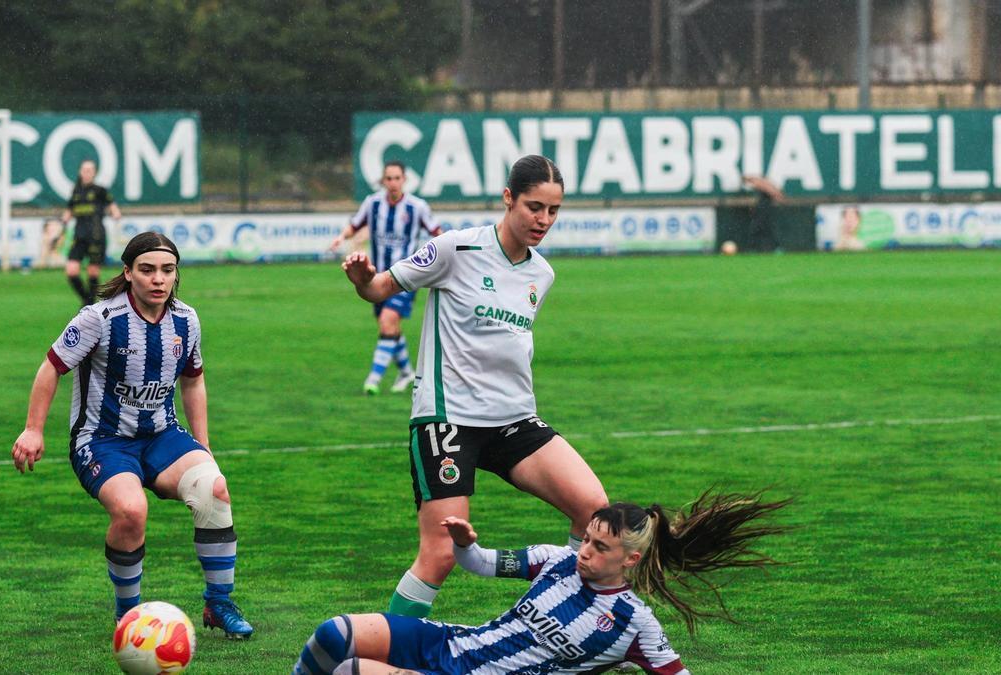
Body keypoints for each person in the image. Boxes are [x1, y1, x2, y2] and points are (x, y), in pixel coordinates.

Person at [341, 155, 609, 619]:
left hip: (513, 417)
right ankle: (383, 650)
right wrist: (364, 279)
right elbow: (379, 288)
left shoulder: (542, 273)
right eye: (534, 207)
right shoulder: (455, 249)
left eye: (553, 210)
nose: (544, 220)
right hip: (448, 418)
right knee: (440, 553)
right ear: (508, 199)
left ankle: (563, 616)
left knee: (593, 509)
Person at [11, 232, 253, 639]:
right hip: (102, 440)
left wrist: (204, 444)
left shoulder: (186, 320)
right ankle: (127, 615)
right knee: (131, 510)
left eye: (167, 270)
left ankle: (219, 603)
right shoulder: (99, 318)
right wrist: (33, 429)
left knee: (214, 488)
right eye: (147, 270)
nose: (158, 279)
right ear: (128, 273)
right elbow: (51, 366)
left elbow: (193, 380)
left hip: (161, 435)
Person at [293, 491, 791, 675]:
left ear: (630, 559)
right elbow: (480, 563)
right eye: (587, 538)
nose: (585, 551)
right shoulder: (556, 560)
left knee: (351, 671)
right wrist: (465, 543)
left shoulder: (635, 624)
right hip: (454, 643)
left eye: (600, 547)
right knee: (334, 634)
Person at [331, 160, 440, 395]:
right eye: (388, 178)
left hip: (406, 276)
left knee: (387, 321)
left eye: (396, 178)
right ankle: (406, 372)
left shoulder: (417, 207)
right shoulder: (372, 204)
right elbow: (355, 225)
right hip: (377, 278)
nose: (392, 183)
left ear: (404, 180)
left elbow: (437, 233)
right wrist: (341, 237)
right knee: (390, 327)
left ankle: (373, 379)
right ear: (383, 181)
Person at [62, 159, 122, 305]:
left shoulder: (100, 190)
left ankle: (88, 304)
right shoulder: (76, 192)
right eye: (84, 170)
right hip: (79, 236)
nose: (86, 173)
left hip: (96, 236)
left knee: (93, 271)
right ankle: (87, 300)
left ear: (94, 173)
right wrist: (63, 220)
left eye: (89, 170)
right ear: (80, 172)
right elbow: (69, 210)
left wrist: (115, 212)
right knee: (71, 271)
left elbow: (112, 206)